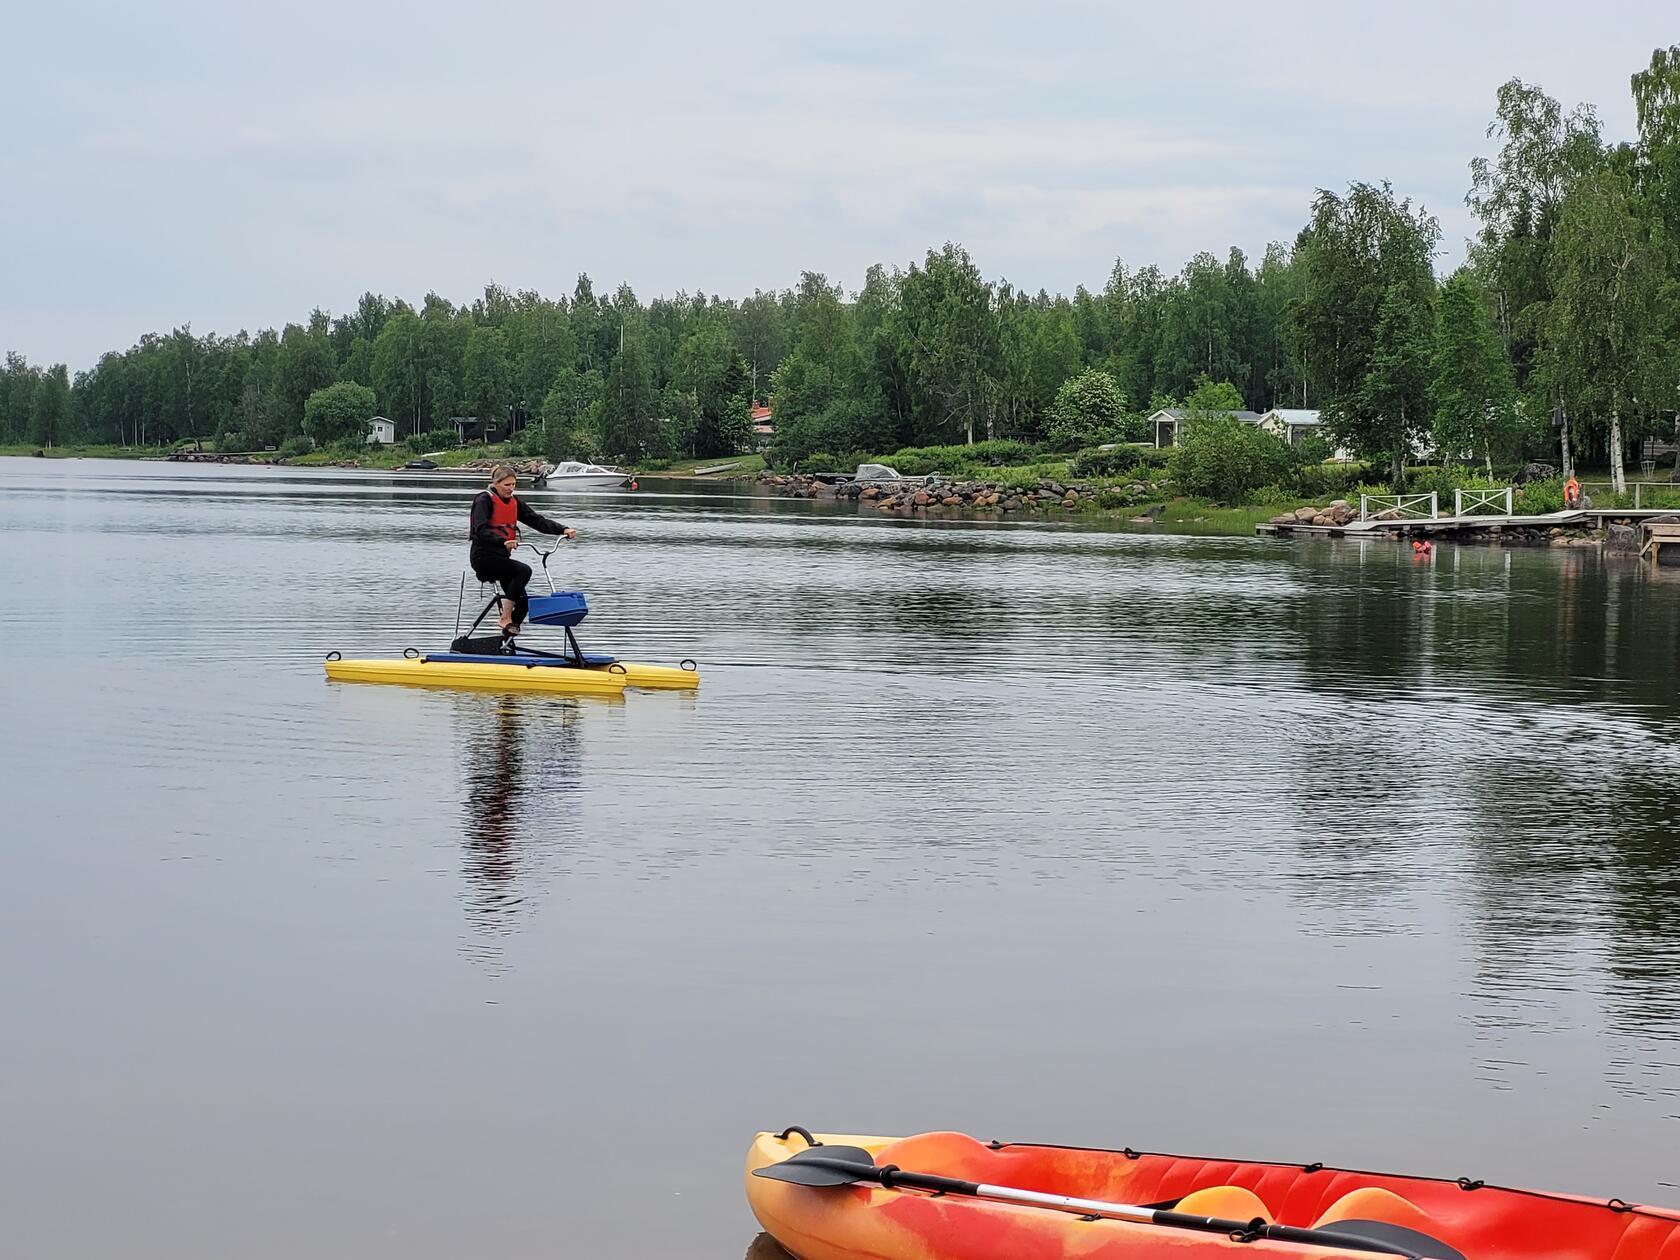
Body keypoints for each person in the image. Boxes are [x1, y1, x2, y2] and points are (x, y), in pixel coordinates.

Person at [469, 465, 575, 637]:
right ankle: (505, 617)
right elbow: (480, 530)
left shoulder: (514, 502)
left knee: (524, 603)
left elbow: (536, 521)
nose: (511, 489)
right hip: (483, 557)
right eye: (507, 485)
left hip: (502, 559)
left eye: (513, 485)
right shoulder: (484, 500)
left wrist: (563, 529)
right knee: (524, 570)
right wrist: (503, 541)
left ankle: (506, 640)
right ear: (496, 483)